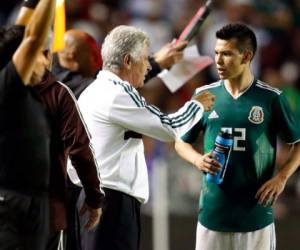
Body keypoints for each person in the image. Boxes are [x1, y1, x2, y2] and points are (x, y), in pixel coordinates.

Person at [77, 25, 215, 250]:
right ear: (128, 61)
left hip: (98, 197)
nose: (149, 65)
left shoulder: (95, 90)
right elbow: (169, 127)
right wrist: (197, 105)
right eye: (145, 59)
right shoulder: (118, 94)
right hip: (112, 202)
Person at [175, 23, 300, 250]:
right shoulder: (203, 95)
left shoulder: (271, 98)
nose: (218, 61)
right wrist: (197, 159)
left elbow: (297, 143)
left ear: (247, 56)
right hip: (212, 214)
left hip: (256, 215)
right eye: (216, 53)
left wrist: (281, 178)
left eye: (227, 54)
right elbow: (180, 141)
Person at [0, 0, 54, 249]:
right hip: (11, 204)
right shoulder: (7, 85)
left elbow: (21, 32)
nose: (46, 61)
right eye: (42, 55)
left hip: (33, 202)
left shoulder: (27, 92)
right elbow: (31, 39)